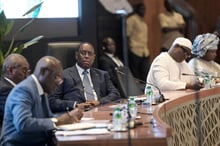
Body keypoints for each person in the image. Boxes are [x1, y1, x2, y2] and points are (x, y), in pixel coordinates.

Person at [0, 56, 83, 146]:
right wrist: (58, 121)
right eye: (55, 76)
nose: (59, 82)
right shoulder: (24, 90)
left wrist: (69, 117)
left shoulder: (40, 89)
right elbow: (23, 123)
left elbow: (47, 117)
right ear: (43, 72)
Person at [48, 42, 120, 113]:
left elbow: (115, 93)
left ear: (94, 58)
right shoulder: (64, 75)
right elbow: (52, 100)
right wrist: (74, 105)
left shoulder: (102, 75)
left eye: (90, 54)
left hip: (99, 112)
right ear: (76, 55)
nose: (86, 56)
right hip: (76, 114)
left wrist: (99, 102)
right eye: (83, 53)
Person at [0, 53, 30, 126]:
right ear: (10, 70)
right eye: (24, 71)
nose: (27, 76)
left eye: (28, 71)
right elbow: (16, 115)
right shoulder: (5, 89)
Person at [126, 2, 150, 81]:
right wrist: (129, 49)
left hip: (144, 51)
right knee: (135, 75)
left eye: (144, 9)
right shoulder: (131, 19)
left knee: (146, 73)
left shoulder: (143, 22)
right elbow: (127, 36)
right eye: (141, 9)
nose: (143, 11)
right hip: (135, 50)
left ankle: (146, 91)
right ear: (137, 9)